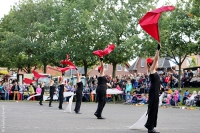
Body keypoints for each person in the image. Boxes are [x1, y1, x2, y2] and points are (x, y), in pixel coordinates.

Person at [144, 43, 161, 133]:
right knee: (153, 108)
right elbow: (156, 59)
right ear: (152, 64)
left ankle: (150, 125)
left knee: (155, 108)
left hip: (155, 91)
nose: (157, 63)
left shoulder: (153, 71)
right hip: (153, 91)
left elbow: (155, 60)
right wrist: (158, 50)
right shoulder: (151, 70)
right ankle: (150, 128)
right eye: (155, 63)